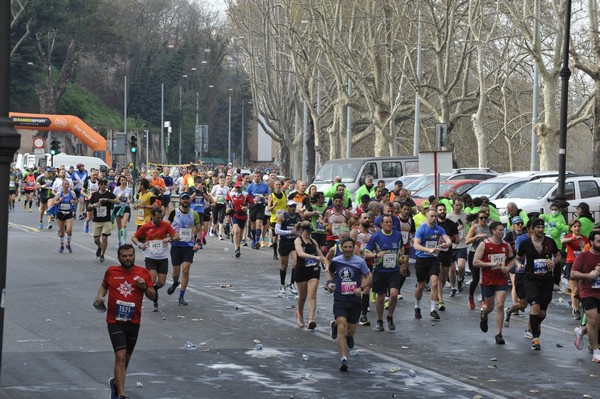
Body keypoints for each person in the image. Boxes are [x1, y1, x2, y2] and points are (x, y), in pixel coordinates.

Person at [95, 244, 156, 399]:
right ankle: (121, 394)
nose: (128, 258)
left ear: (134, 256)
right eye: (124, 256)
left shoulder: (142, 273)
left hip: (133, 321)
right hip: (114, 320)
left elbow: (153, 295)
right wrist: (100, 296)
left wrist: (144, 287)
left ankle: (116, 383)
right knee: (120, 355)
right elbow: (103, 287)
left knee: (126, 358)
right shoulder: (111, 271)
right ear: (119, 257)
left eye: (130, 255)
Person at [327, 237, 371, 372]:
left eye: (349, 247)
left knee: (350, 331)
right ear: (341, 247)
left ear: (353, 248)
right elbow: (330, 271)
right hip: (340, 299)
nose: (347, 250)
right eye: (344, 247)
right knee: (342, 327)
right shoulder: (336, 261)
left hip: (355, 301)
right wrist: (329, 283)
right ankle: (343, 359)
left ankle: (343, 332)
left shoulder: (360, 262)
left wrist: (361, 288)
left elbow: (368, 276)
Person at [516, 218, 561, 350]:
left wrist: (554, 262)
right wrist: (519, 265)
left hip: (546, 280)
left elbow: (557, 255)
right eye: (538, 227)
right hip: (531, 279)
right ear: (532, 229)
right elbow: (518, 258)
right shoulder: (525, 243)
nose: (541, 230)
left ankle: (532, 325)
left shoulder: (550, 242)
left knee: (542, 313)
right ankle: (535, 339)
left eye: (542, 227)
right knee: (534, 306)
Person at [473, 221, 514, 345]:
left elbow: (512, 260)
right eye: (500, 230)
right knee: (490, 307)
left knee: (500, 305)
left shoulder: (507, 245)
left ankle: (498, 334)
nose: (503, 232)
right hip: (487, 280)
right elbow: (475, 262)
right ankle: (484, 315)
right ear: (493, 231)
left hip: (501, 279)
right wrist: (490, 264)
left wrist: (508, 267)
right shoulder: (484, 245)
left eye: (503, 230)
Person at [132, 208, 180, 311]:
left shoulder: (166, 225)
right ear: (152, 216)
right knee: (152, 279)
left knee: (161, 283)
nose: (159, 219)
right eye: (157, 217)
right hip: (150, 257)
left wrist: (169, 239)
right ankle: (155, 299)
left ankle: (153, 290)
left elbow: (176, 236)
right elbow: (134, 237)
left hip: (163, 257)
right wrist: (140, 245)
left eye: (161, 217)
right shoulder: (146, 226)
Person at [364, 214, 406, 331]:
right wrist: (377, 255)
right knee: (381, 298)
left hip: (394, 270)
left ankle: (390, 316)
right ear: (381, 224)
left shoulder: (397, 235)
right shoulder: (376, 236)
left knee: (393, 294)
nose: (389, 224)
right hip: (380, 270)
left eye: (390, 222)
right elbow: (366, 253)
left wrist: (401, 257)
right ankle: (379, 320)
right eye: (386, 222)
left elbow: (401, 248)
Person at [412, 209, 452, 320]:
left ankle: (433, 310)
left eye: (435, 216)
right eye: (432, 216)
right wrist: (427, 249)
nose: (434, 218)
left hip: (433, 260)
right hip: (421, 259)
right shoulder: (421, 229)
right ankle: (417, 306)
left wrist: (446, 244)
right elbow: (416, 245)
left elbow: (448, 240)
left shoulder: (439, 229)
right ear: (427, 217)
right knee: (420, 285)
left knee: (434, 283)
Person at [167, 192, 201, 305]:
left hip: (189, 246)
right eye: (183, 199)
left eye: (187, 199)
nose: (185, 201)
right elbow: (166, 226)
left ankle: (181, 296)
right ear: (180, 201)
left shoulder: (194, 214)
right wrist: (168, 237)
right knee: (176, 272)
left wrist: (198, 243)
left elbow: (199, 229)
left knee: (185, 270)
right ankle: (175, 282)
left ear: (189, 200)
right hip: (176, 246)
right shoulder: (174, 212)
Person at [571, 230, 600, 362]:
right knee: (593, 321)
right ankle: (596, 351)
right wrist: (588, 276)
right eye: (598, 241)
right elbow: (573, 274)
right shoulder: (583, 256)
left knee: (597, 323)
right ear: (592, 242)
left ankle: (581, 332)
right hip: (588, 292)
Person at [293, 221, 327, 329]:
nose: (309, 233)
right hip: (302, 270)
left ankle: (311, 319)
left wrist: (326, 265)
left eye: (310, 231)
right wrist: (314, 258)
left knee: (312, 295)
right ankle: (300, 315)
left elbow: (321, 255)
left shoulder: (313, 241)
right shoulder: (298, 240)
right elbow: (300, 253)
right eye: (307, 231)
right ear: (302, 230)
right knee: (302, 296)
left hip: (313, 270)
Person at [465, 211, 492, 310]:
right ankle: (471, 297)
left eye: (485, 218)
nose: (483, 220)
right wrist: (477, 236)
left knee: (485, 279)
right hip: (475, 254)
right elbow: (467, 241)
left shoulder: (489, 228)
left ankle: (484, 300)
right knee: (476, 279)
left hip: (486, 255)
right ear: (477, 219)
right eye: (481, 218)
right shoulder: (475, 227)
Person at [562, 219, 588, 320]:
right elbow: (562, 241)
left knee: (582, 289)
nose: (577, 228)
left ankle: (584, 308)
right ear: (571, 228)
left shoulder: (584, 238)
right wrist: (573, 239)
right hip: (571, 264)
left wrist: (582, 247)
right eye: (575, 226)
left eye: (578, 226)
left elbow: (586, 251)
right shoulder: (569, 237)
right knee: (575, 289)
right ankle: (576, 310)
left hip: (582, 265)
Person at [435, 203, 459, 311]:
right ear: (437, 212)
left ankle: (437, 293)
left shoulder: (451, 224)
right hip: (436, 253)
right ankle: (440, 300)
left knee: (444, 277)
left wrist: (449, 239)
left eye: (443, 209)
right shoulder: (434, 224)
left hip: (447, 253)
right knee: (439, 276)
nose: (442, 211)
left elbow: (457, 240)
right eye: (440, 210)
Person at [88, 178, 119, 262]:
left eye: (105, 184)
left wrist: (108, 200)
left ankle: (102, 255)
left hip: (106, 220)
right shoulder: (95, 195)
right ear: (99, 185)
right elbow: (89, 205)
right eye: (101, 184)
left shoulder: (109, 194)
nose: (103, 185)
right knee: (96, 240)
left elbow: (118, 201)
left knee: (105, 237)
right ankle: (100, 246)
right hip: (97, 220)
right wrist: (94, 205)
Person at [275, 201, 302, 295]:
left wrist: (298, 233)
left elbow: (300, 231)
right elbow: (277, 230)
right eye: (291, 206)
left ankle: (292, 284)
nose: (293, 208)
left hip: (294, 243)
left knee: (295, 264)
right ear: (287, 207)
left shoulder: (299, 217)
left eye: (294, 206)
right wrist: (290, 232)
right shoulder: (282, 216)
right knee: (284, 265)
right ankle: (282, 284)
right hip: (284, 242)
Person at [227, 181, 255, 258]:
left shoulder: (245, 195)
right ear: (235, 188)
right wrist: (228, 207)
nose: (238, 189)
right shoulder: (231, 194)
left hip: (243, 215)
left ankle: (238, 246)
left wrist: (247, 207)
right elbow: (227, 201)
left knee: (240, 234)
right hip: (234, 214)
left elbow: (252, 203)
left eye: (240, 187)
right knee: (236, 231)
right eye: (237, 187)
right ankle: (236, 249)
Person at [447, 198, 468, 296]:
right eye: (457, 205)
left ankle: (460, 279)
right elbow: (446, 231)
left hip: (462, 244)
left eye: (460, 205)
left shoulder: (465, 215)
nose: (459, 207)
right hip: (451, 245)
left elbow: (473, 224)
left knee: (461, 266)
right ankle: (453, 287)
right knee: (451, 269)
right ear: (453, 205)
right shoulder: (449, 216)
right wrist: (456, 228)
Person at [247, 170, 270, 249]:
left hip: (261, 206)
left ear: (260, 177)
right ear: (253, 177)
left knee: (259, 223)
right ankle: (253, 239)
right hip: (253, 206)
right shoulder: (250, 186)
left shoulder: (265, 186)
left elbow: (269, 196)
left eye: (258, 176)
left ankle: (257, 241)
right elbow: (247, 196)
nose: (256, 178)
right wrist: (252, 200)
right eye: (255, 176)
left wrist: (263, 197)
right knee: (253, 226)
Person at [53, 180, 77, 253]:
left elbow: (76, 200)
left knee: (69, 230)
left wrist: (74, 202)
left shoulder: (72, 193)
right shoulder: (59, 194)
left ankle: (68, 244)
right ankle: (62, 245)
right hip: (60, 213)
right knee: (62, 232)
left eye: (67, 184)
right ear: (62, 185)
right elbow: (54, 203)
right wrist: (59, 201)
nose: (66, 185)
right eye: (65, 184)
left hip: (69, 213)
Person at [267, 179, 286, 260]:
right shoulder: (271, 196)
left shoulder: (284, 195)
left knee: (283, 236)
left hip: (283, 219)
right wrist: (273, 206)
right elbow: (268, 209)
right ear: (274, 186)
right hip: (274, 219)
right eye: (276, 185)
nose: (278, 186)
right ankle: (275, 253)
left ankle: (281, 250)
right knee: (275, 237)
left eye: (279, 185)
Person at [113, 175, 132, 247]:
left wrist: (129, 201)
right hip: (118, 208)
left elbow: (130, 199)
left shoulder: (129, 189)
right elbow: (114, 199)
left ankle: (124, 242)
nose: (123, 181)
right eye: (121, 180)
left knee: (124, 224)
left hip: (126, 207)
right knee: (119, 226)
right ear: (119, 181)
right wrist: (120, 196)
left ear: (126, 181)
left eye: (124, 180)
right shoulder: (116, 189)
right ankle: (119, 241)